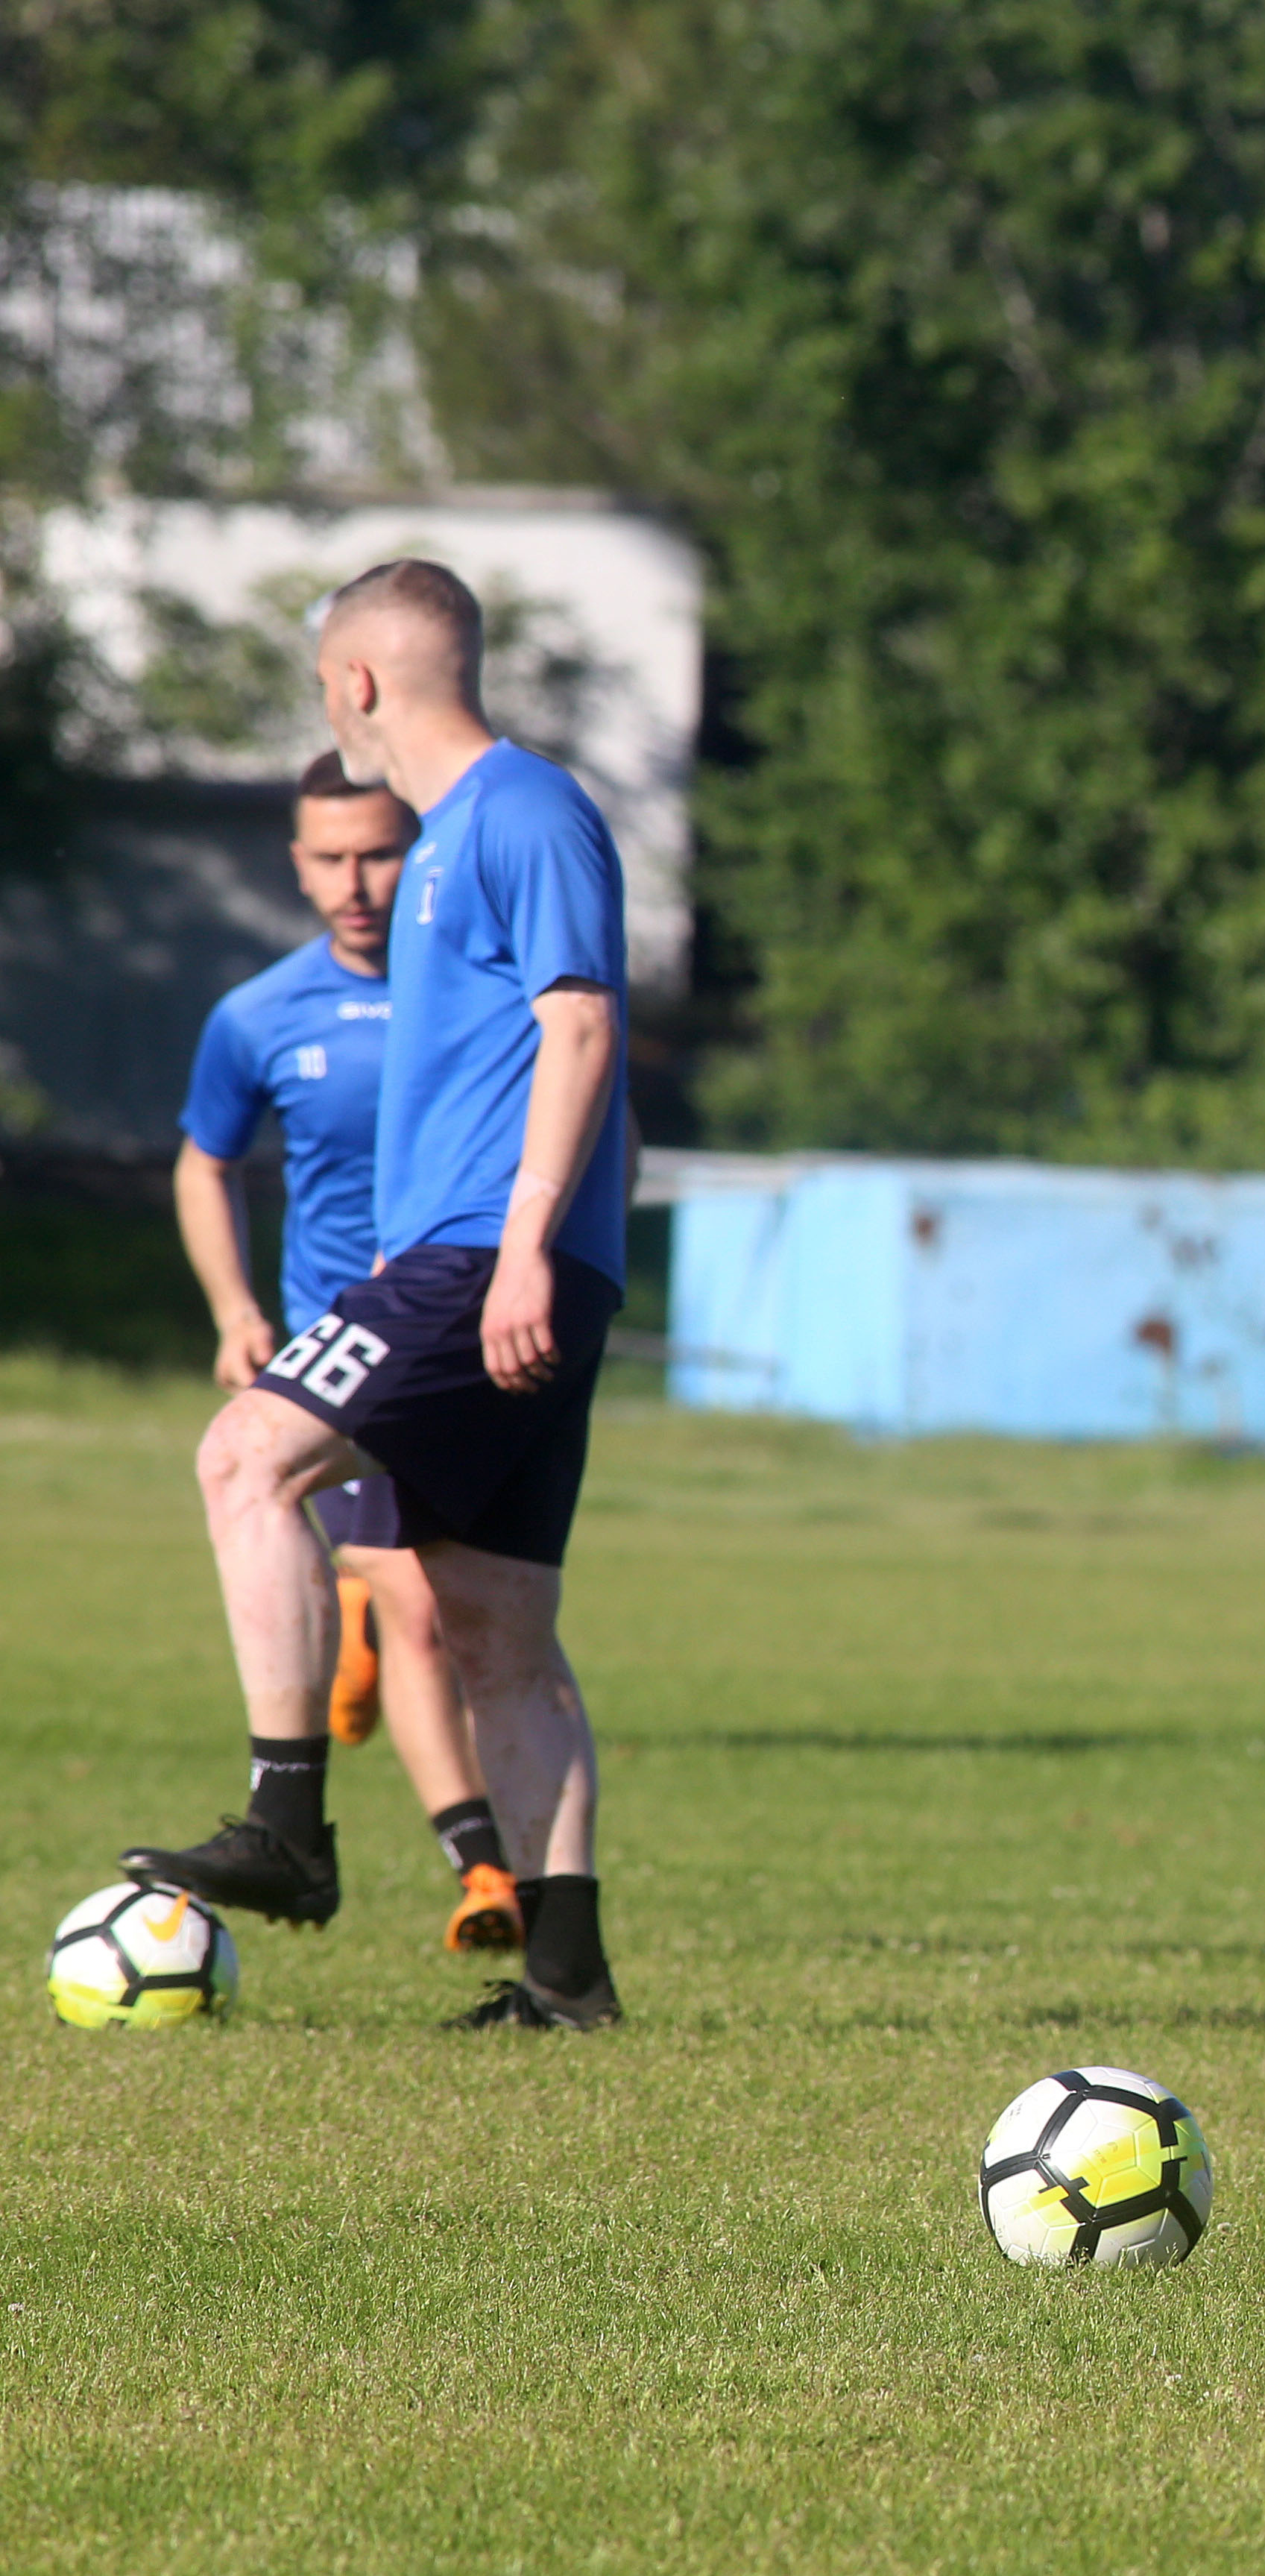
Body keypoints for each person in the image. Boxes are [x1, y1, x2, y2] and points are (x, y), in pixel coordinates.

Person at [128, 558, 640, 2031]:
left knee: (244, 1456)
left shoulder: (523, 809)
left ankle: (289, 1821)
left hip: (486, 1256)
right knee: (493, 1624)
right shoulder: (444, 847)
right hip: (492, 1258)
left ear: (356, 682)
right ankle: (567, 1981)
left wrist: (538, 1241)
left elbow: (588, 1025)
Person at [170, 752, 514, 1953]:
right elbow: (205, 1161)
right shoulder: (260, 1015)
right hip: (334, 1351)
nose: (355, 881)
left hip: (464, 1332)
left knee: (449, 1605)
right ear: (297, 863)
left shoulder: (476, 989)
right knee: (420, 1604)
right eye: (328, 857)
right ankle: (484, 1872)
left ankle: (354, 1644)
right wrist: (232, 1307)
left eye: (379, 851)